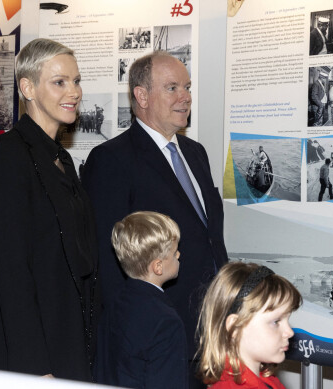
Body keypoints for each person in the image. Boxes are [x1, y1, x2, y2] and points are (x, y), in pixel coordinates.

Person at [82, 51, 228, 388]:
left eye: (187, 87)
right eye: (172, 87)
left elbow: (210, 239)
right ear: (142, 95)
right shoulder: (111, 160)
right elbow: (108, 259)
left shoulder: (196, 154)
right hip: (155, 342)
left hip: (209, 333)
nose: (185, 97)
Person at [0, 38, 100, 381]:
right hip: (30, 351)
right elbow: (9, 268)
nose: (74, 92)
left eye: (76, 81)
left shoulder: (62, 159)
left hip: (67, 331)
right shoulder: (6, 155)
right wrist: (35, 369)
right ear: (28, 87)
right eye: (60, 82)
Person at [95, 211, 188, 388]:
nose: (179, 255)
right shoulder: (166, 322)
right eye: (175, 252)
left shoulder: (115, 302)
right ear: (158, 267)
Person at [196, 262, 302, 388]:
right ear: (235, 327)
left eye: (287, 319)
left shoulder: (266, 380)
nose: (289, 332)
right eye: (276, 321)